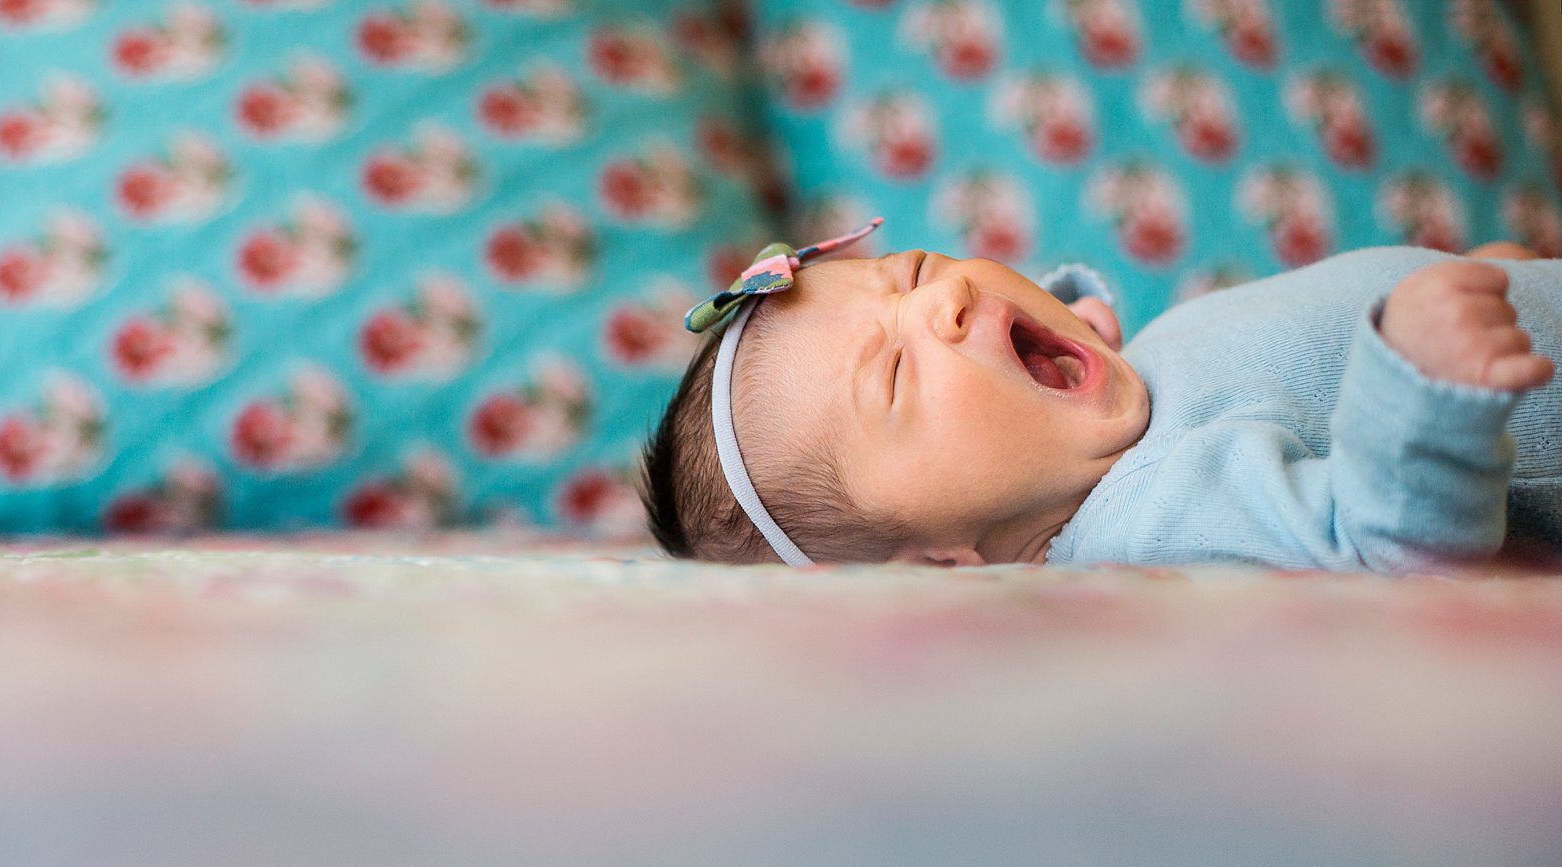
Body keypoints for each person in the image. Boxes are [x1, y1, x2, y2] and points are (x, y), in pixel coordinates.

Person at [639, 219, 1558, 572]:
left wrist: (1475, 278)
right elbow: (1380, 541)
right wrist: (1422, 388)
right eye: (894, 373)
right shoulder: (1153, 514)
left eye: (911, 270)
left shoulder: (1144, 380)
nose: (942, 297)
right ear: (943, 563)